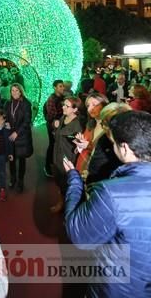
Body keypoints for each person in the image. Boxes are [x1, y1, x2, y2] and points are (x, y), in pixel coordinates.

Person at [63, 110, 151, 297]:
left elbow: (79, 235)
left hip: (115, 289)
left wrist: (74, 182)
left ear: (125, 148)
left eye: (114, 144)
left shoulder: (112, 193)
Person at [51, 96, 83, 212]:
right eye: (63, 104)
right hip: (57, 155)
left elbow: (78, 146)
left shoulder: (77, 125)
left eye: (67, 106)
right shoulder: (63, 117)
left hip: (68, 159)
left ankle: (67, 207)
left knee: (67, 184)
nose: (63, 107)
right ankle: (62, 202)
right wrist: (55, 127)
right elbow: (57, 134)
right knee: (59, 182)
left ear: (75, 109)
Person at [5, 83, 33, 192]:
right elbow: (5, 116)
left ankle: (21, 181)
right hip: (10, 134)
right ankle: (13, 178)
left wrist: (17, 132)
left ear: (21, 91)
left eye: (17, 90)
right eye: (12, 91)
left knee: (21, 159)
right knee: (11, 158)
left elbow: (27, 121)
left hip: (22, 135)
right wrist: (6, 122)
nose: (15, 93)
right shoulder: (8, 103)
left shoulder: (26, 103)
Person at [43, 79, 65, 177]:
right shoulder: (52, 99)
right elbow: (51, 115)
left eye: (63, 86)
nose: (62, 88)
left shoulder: (63, 98)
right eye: (60, 86)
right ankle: (47, 166)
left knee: (57, 145)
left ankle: (53, 163)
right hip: (53, 126)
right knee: (52, 145)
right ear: (55, 87)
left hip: (61, 125)